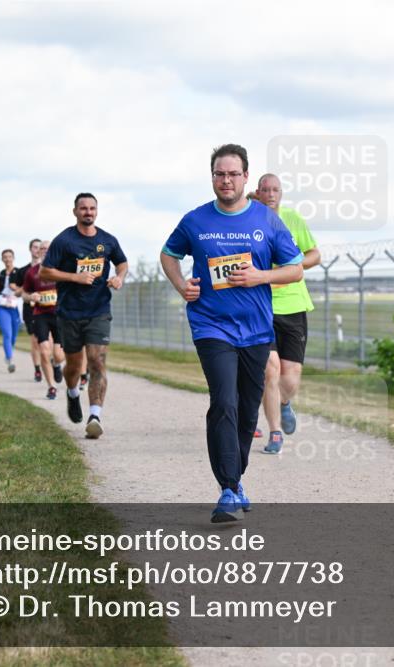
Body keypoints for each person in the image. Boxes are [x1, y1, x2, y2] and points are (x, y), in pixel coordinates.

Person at [161, 144, 304, 522]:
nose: (226, 180)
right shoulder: (195, 220)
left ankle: (235, 480)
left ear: (245, 177)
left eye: (233, 174)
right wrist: (181, 285)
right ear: (212, 177)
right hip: (211, 326)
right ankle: (227, 487)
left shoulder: (267, 220)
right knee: (223, 401)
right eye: (219, 174)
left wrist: (260, 276)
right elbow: (168, 254)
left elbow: (295, 269)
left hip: (256, 330)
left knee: (246, 409)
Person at [40, 193, 128, 439]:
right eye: (83, 208)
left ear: (97, 211)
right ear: (75, 212)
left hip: (99, 310)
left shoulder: (107, 240)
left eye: (92, 208)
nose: (88, 212)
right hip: (69, 312)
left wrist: (119, 277)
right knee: (74, 366)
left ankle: (95, 416)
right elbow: (45, 272)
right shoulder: (64, 240)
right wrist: (74, 277)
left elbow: (122, 263)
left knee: (97, 361)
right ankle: (72, 393)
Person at [253, 174, 321, 454]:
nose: (271, 194)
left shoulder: (292, 219)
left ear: (281, 193)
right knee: (271, 369)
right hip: (262, 305)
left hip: (293, 305)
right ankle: (275, 432)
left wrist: (292, 265)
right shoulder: (249, 221)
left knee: (290, 379)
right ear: (258, 192)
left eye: (276, 190)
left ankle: (283, 403)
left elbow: (314, 254)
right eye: (265, 190)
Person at [22, 239, 66, 400]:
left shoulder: (61, 268)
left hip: (59, 314)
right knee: (44, 350)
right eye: (42, 249)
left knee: (59, 355)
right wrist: (30, 296)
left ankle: (57, 364)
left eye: (48, 248)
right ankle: (51, 387)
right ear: (39, 252)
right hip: (40, 314)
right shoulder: (32, 272)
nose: (45, 251)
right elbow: (24, 294)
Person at [12, 239, 45, 382]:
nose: (37, 250)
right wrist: (27, 290)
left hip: (48, 308)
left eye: (40, 247)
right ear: (30, 249)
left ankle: (51, 363)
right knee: (35, 341)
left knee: (49, 341)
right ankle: (37, 370)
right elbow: (17, 293)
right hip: (30, 309)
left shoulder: (49, 268)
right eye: (35, 247)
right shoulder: (23, 271)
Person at [0, 249, 22, 373]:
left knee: (14, 335)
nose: (7, 259)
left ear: (13, 258)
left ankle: (9, 352)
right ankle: (10, 359)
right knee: (7, 333)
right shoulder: (0, 274)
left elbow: (25, 288)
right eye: (5, 257)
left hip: (15, 305)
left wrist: (15, 288)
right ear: (2, 259)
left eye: (9, 256)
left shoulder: (20, 272)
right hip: (2, 305)